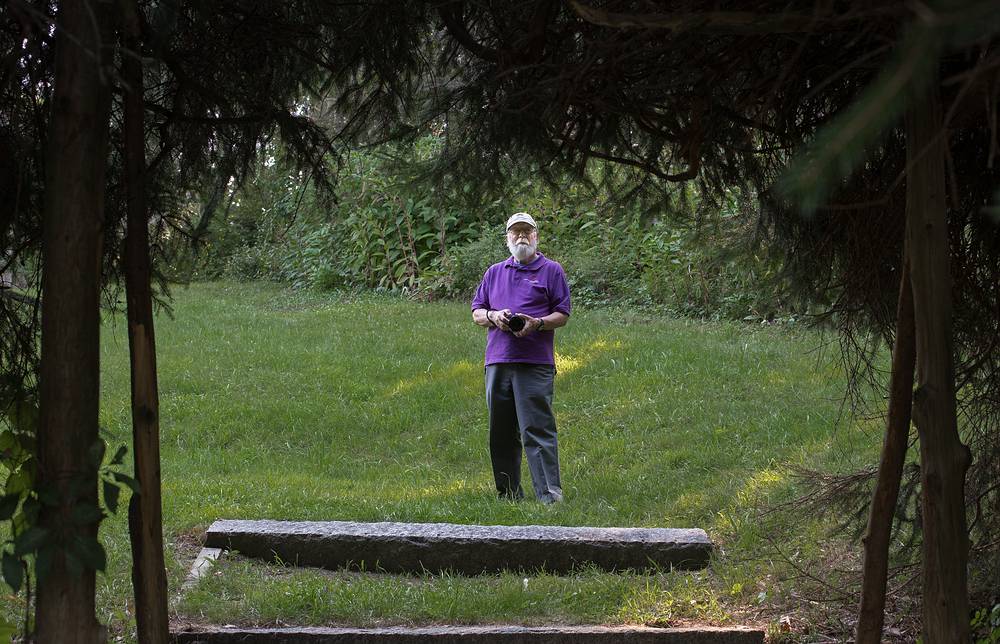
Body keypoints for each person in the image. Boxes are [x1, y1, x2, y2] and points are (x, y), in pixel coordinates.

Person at [471, 212, 571, 504]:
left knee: (537, 429)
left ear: (536, 236)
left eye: (527, 231)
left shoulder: (552, 270)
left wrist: (536, 323)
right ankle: (509, 495)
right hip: (497, 362)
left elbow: (562, 314)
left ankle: (549, 496)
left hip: (535, 363)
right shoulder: (494, 272)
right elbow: (477, 312)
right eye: (515, 232)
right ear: (507, 238)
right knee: (500, 433)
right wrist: (494, 315)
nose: (521, 236)